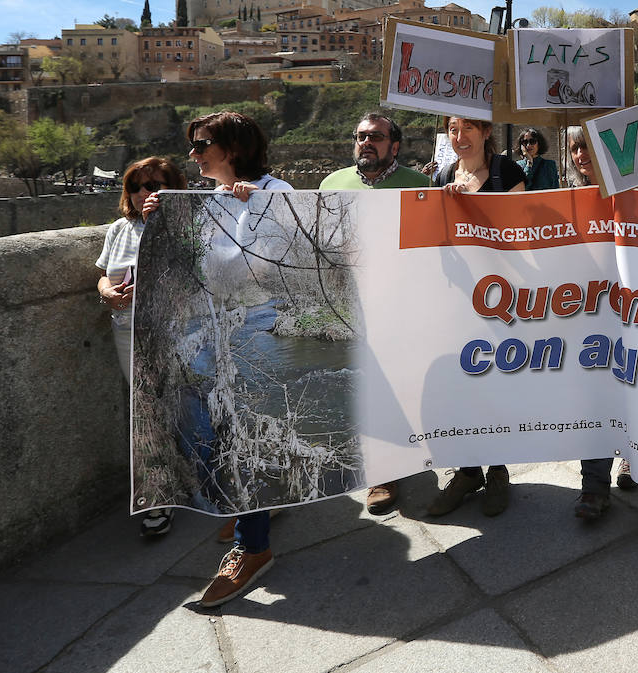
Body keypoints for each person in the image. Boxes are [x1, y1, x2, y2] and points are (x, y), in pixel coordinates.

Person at [184, 111, 294, 608]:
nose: (194, 153)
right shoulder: (208, 203)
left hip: (261, 333)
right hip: (218, 335)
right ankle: (261, 507)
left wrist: (259, 211)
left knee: (243, 433)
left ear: (233, 148)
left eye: (202, 144)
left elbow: (276, 267)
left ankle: (251, 548)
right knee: (221, 431)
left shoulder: (278, 194)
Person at [320, 113, 429, 516]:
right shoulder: (331, 184)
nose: (366, 143)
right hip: (351, 304)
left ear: (394, 146)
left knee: (400, 386)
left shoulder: (420, 186)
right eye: (360, 136)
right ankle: (379, 468)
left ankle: (400, 463)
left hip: (404, 304)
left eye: (376, 137)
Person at [427, 117, 525, 517]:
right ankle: (468, 471)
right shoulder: (441, 177)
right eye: (453, 128)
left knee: (496, 383)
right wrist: (446, 208)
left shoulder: (509, 172)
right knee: (460, 384)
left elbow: (519, 233)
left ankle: (498, 471)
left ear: (486, 133)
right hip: (458, 297)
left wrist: (472, 206)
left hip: (501, 298)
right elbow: (435, 240)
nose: (459, 136)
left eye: (469, 128)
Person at [97, 156, 187, 538]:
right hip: (127, 330)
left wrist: (158, 223)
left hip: (174, 332)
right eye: (135, 186)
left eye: (152, 185)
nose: (142, 193)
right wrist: (108, 293)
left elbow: (191, 273)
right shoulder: (120, 228)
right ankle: (162, 494)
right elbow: (103, 274)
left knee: (174, 408)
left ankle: (179, 490)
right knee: (146, 411)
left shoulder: (183, 225)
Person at [564, 127, 638, 521]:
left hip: (635, 314)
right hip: (589, 316)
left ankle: (633, 457)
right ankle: (594, 488)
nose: (581, 155)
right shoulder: (566, 200)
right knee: (592, 397)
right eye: (576, 147)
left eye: (589, 146)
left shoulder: (636, 195)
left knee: (634, 391)